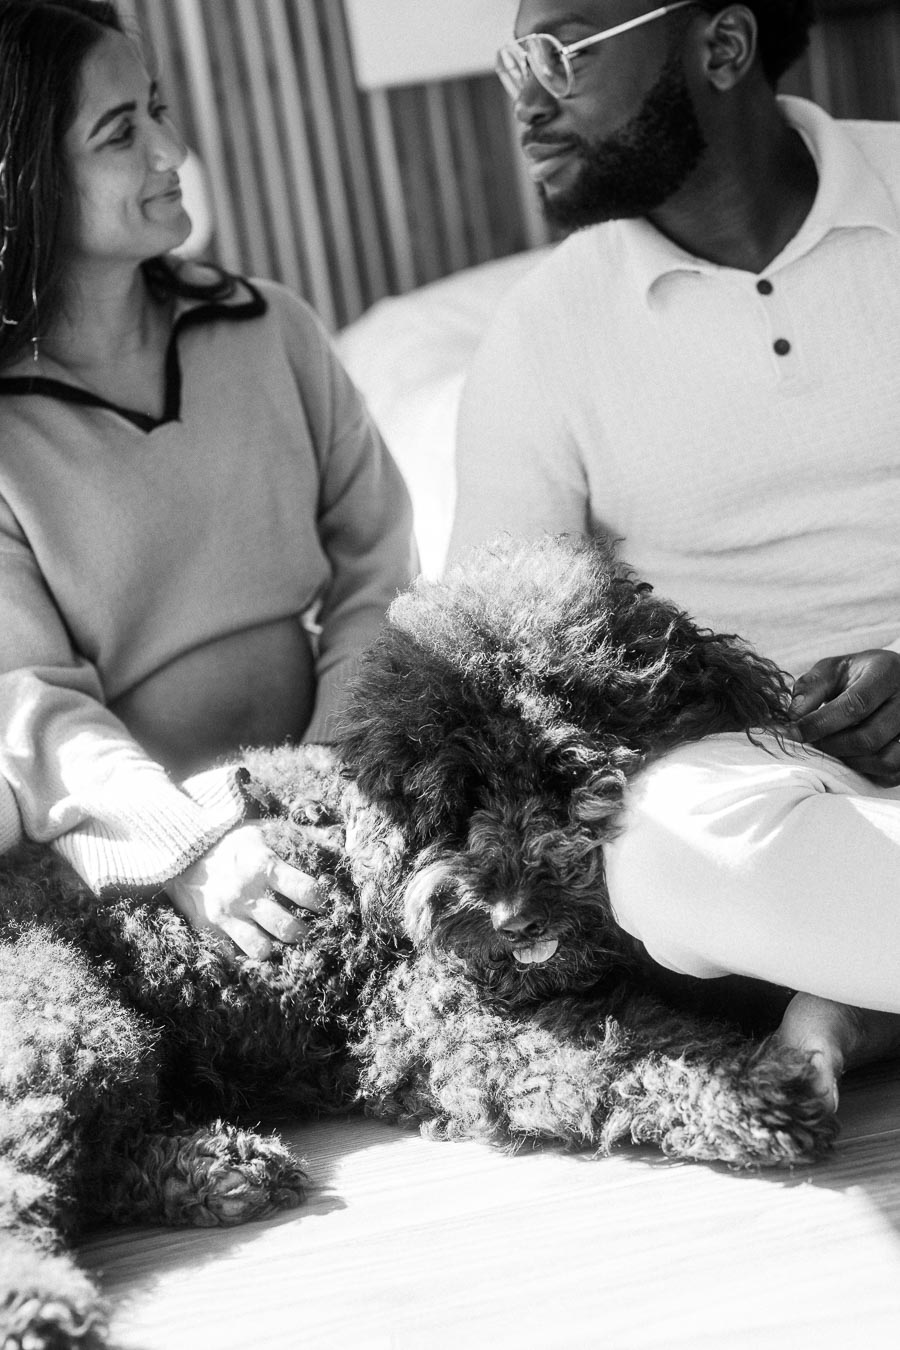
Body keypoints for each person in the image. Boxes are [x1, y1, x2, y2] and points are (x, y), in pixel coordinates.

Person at [0, 0, 414, 958]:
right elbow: (34, 711)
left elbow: (381, 570)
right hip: (144, 861)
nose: (172, 149)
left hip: (347, 789)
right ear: (25, 181)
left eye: (158, 108)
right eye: (121, 133)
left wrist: (333, 770)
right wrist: (191, 848)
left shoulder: (273, 330)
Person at [450, 0, 900, 786]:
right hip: (749, 784)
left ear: (722, 47)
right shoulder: (541, 333)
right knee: (668, 843)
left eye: (565, 53)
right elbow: (481, 669)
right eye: (521, 64)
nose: (527, 105)